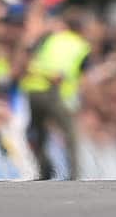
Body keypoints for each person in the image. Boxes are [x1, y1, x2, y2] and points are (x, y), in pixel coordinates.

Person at [20, 11, 91, 179]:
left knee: (37, 132)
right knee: (70, 132)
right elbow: (81, 77)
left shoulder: (51, 38)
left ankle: (44, 169)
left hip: (33, 88)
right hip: (55, 92)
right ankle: (74, 173)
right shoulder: (81, 45)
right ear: (80, 29)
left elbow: (32, 57)